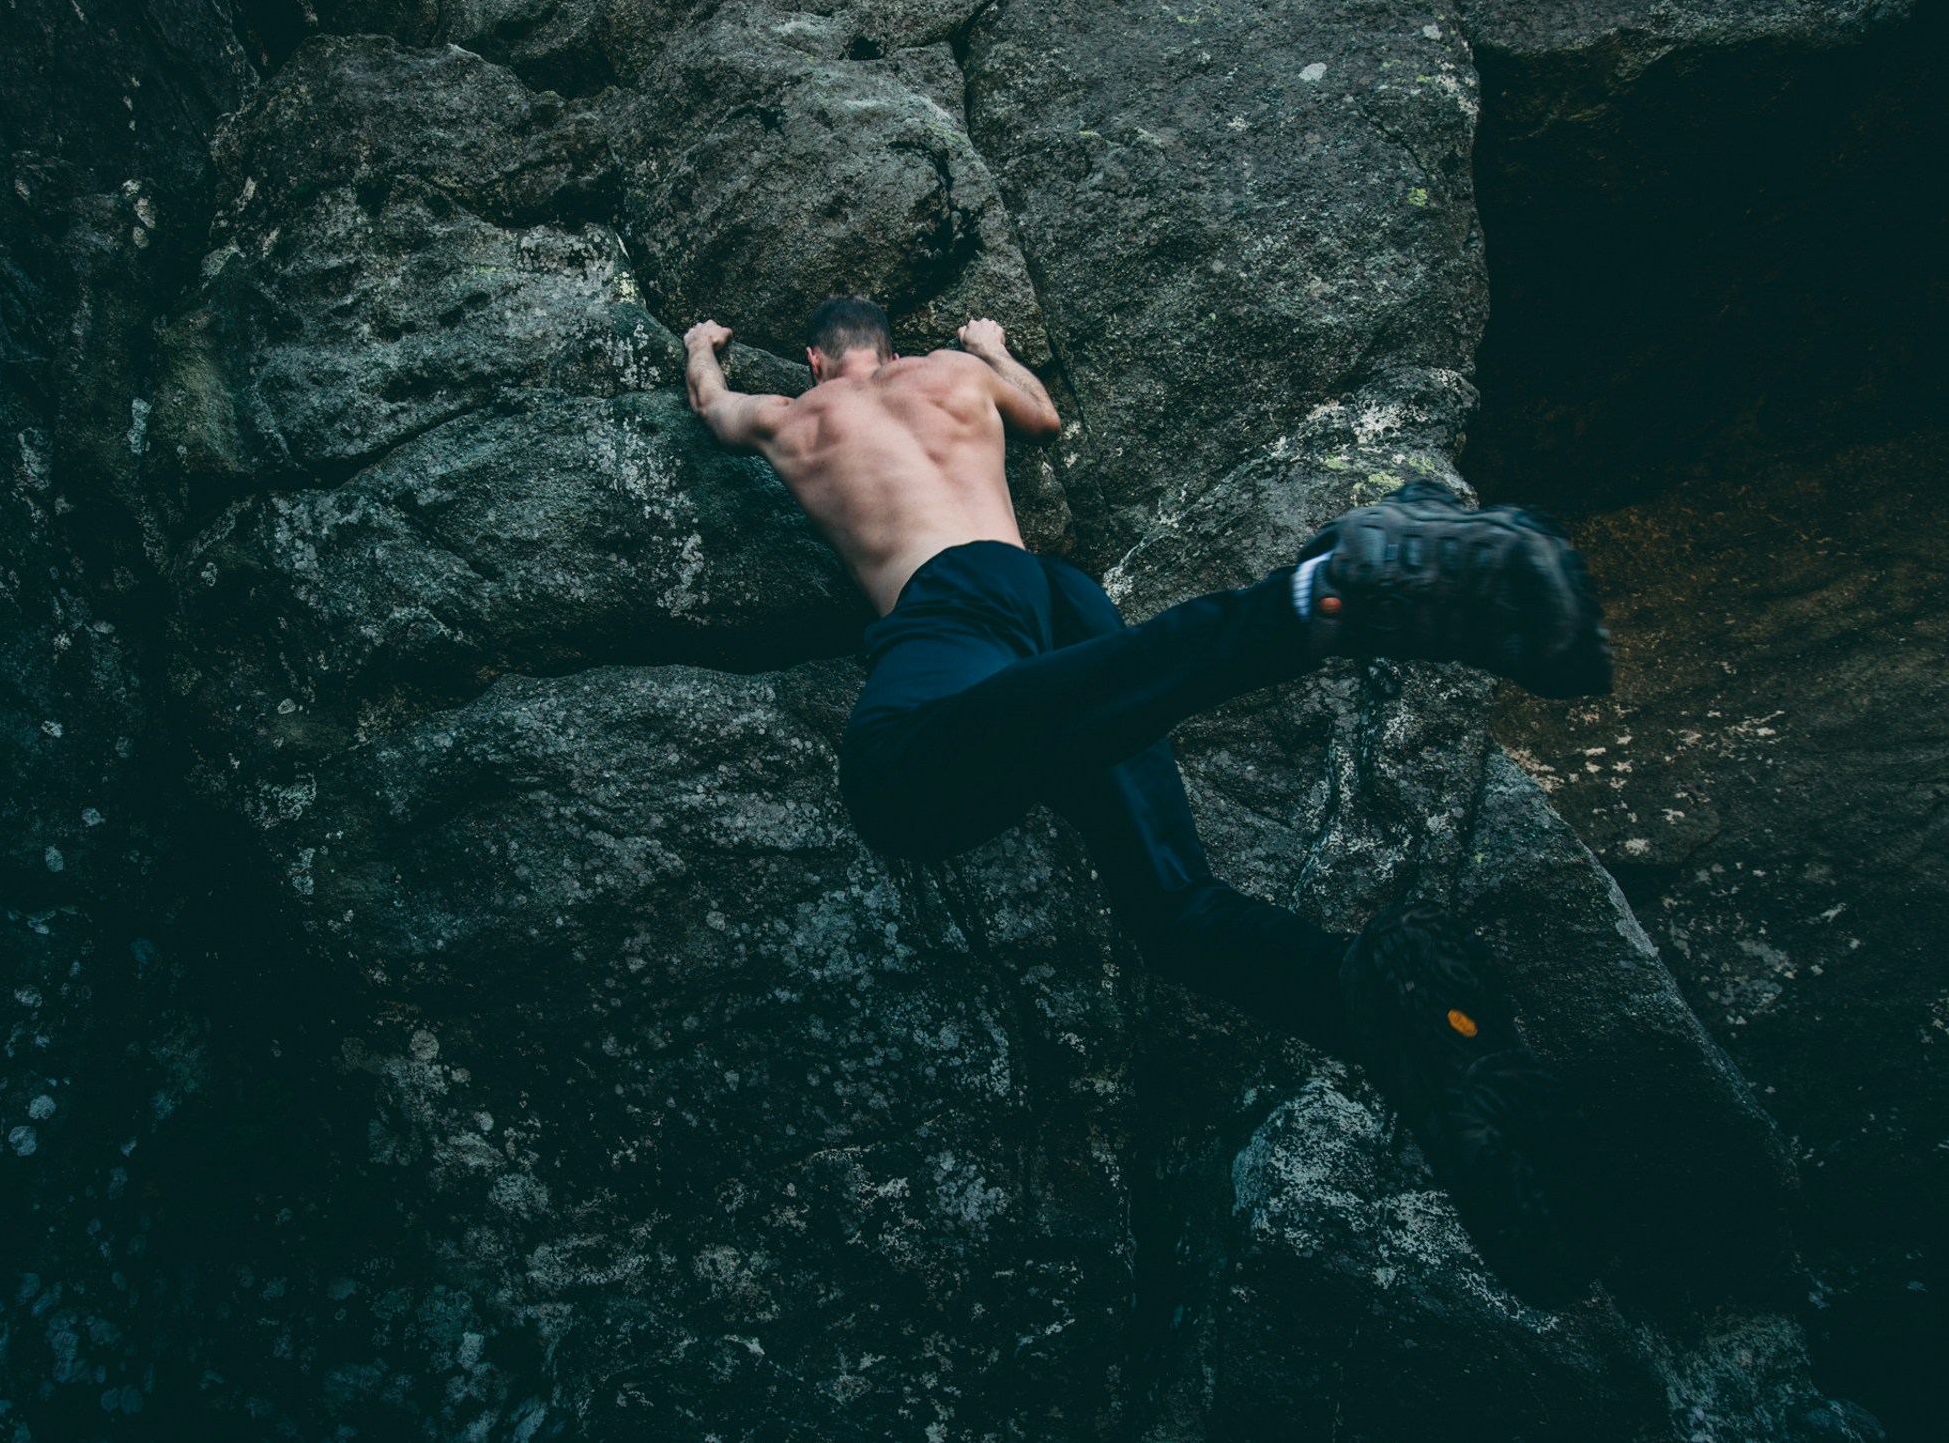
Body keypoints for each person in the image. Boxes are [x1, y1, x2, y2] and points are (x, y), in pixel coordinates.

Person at [682, 297, 1611, 1303]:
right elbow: (1039, 417)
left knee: (892, 783)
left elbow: (712, 408)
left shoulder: (798, 414)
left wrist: (702, 346)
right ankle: (1406, 1020)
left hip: (951, 602)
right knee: (1175, 909)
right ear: (891, 349)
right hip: (1064, 599)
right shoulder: (953, 375)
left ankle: (1323, 591)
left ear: (820, 358)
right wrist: (992, 345)